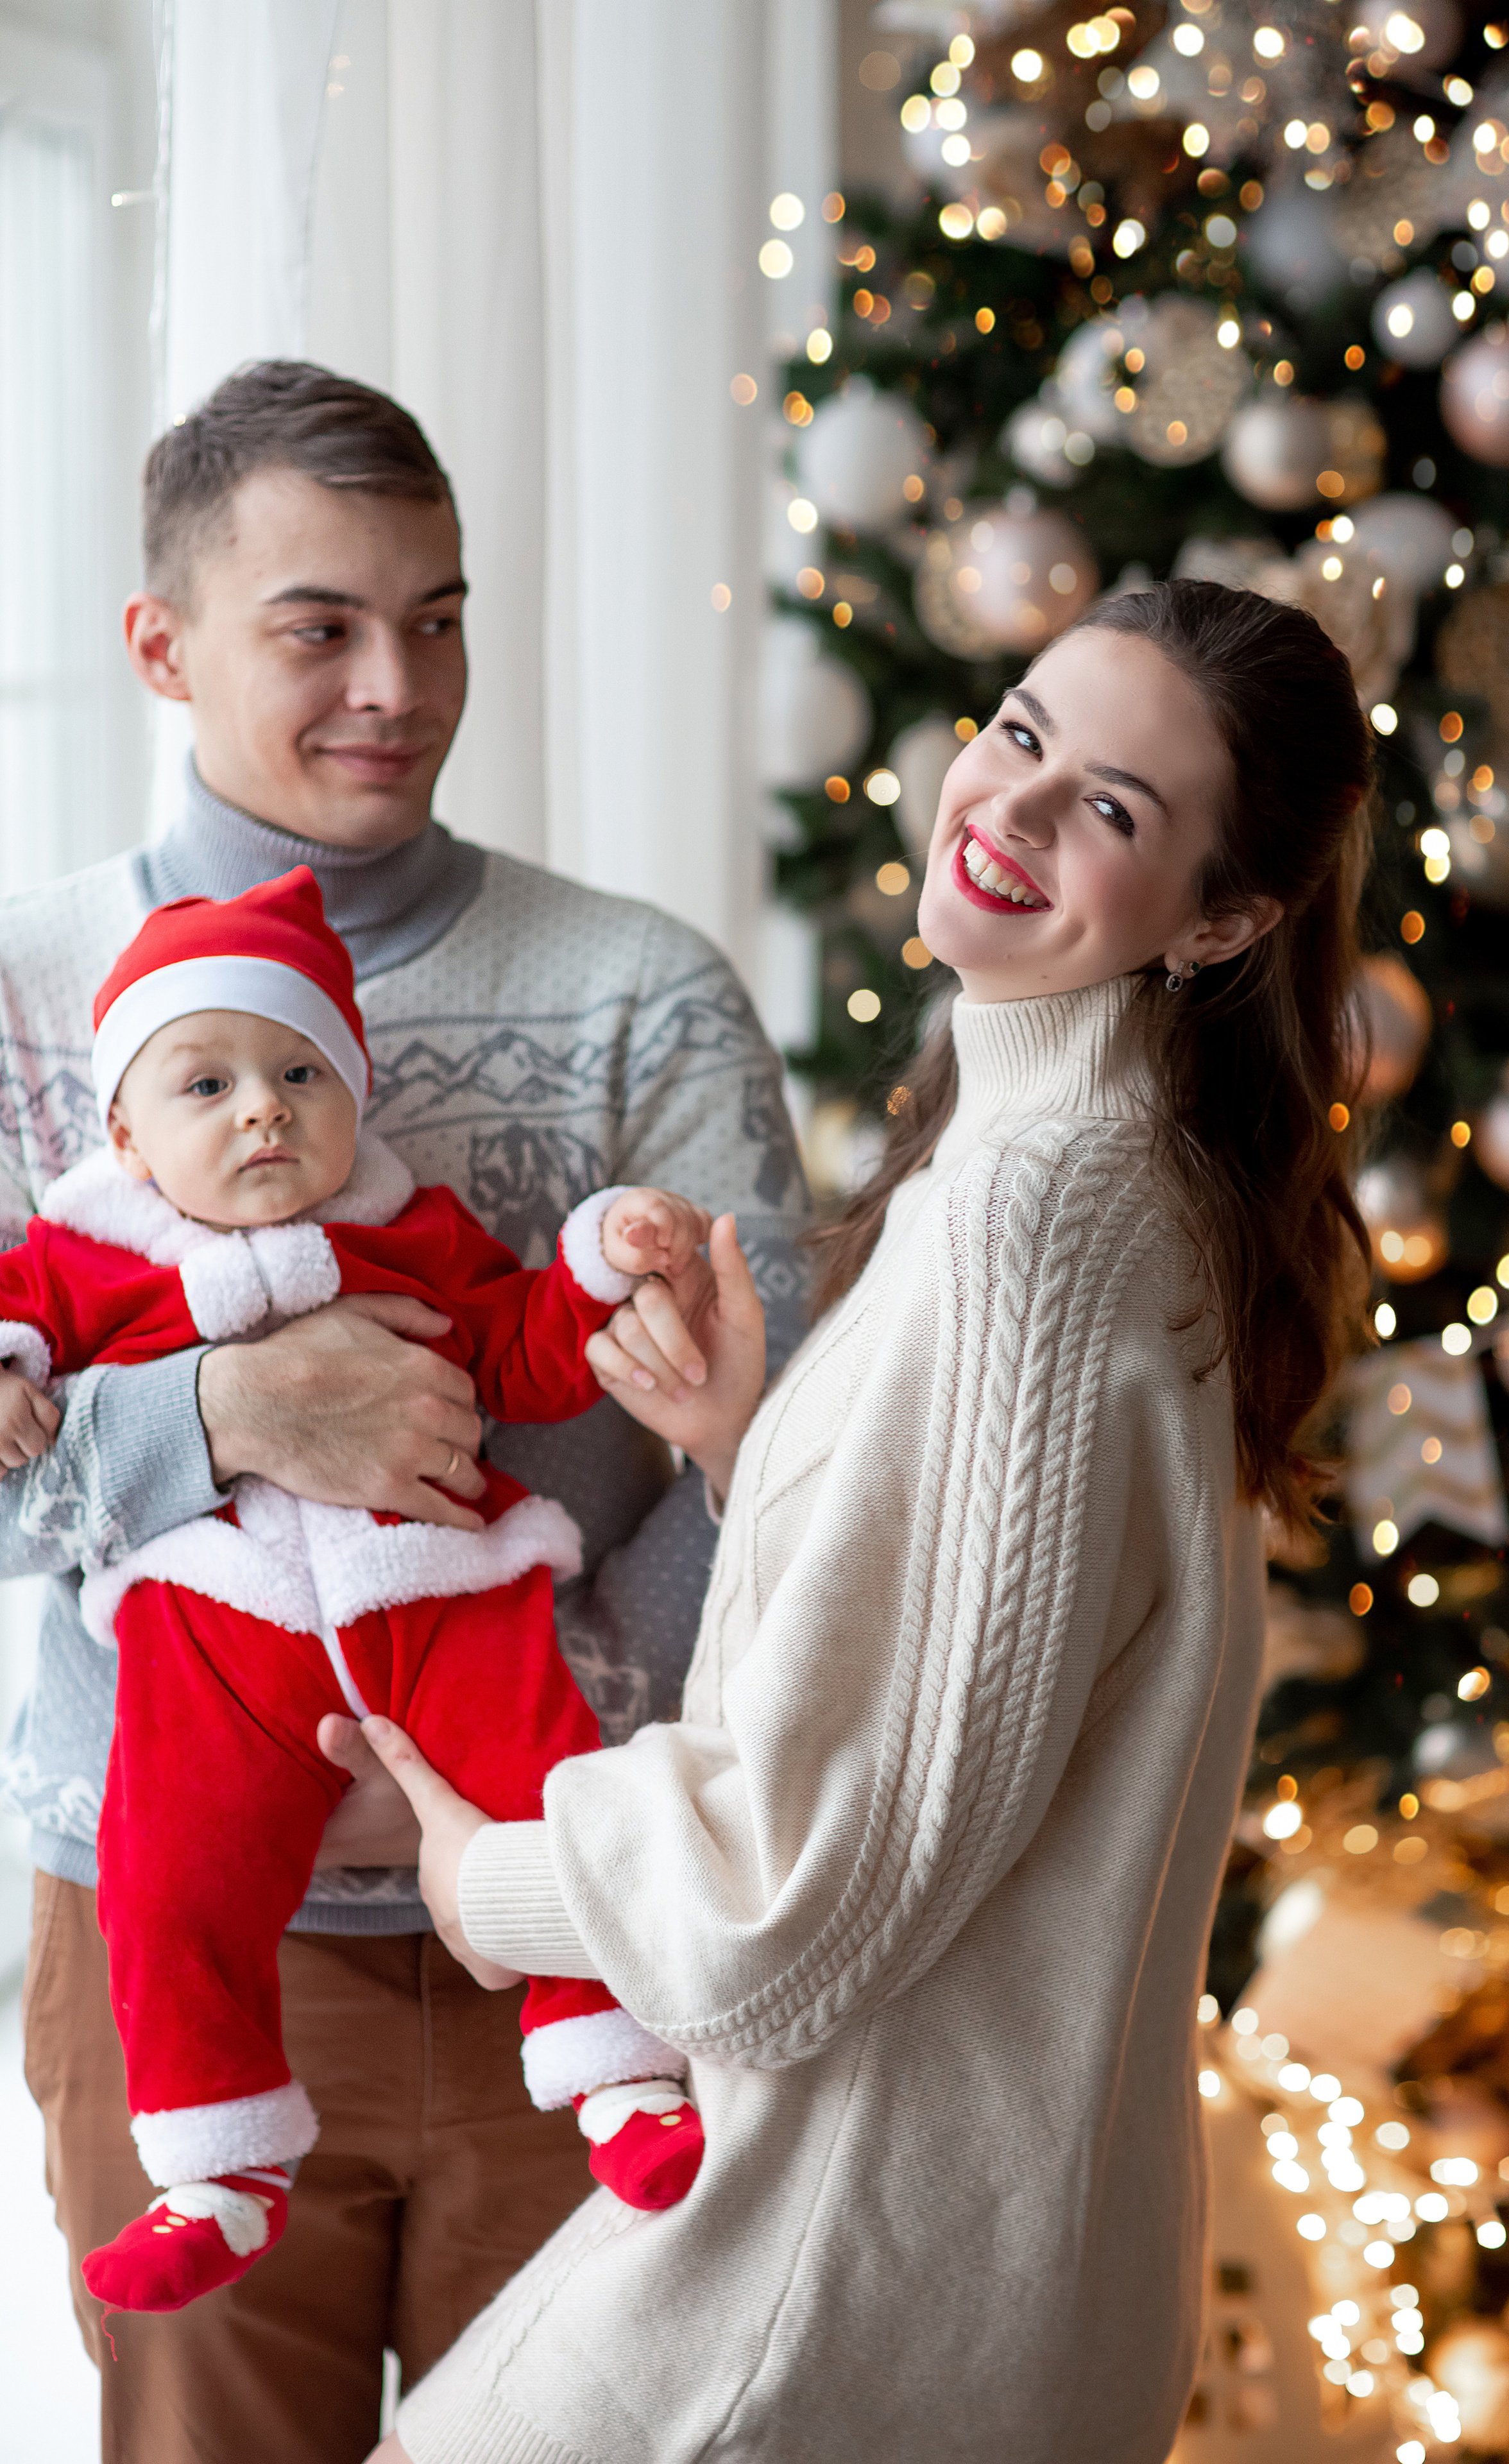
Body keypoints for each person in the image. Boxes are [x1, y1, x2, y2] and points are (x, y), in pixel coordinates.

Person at [355, 580, 1375, 2464]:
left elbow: (800, 1902)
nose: (1018, 809)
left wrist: (491, 1877)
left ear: (1225, 920)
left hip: (825, 2304)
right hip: (975, 2296)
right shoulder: (1086, 1176)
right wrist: (763, 1455)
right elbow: (989, 1708)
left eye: (1117, 812)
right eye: (1022, 731)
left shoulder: (1038, 1222)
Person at [1, 363, 806, 2456]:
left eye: (438, 617)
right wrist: (233, 1413)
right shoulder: (20, 997)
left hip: (585, 1906)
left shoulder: (638, 987)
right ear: (160, 646)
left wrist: (473, 1773)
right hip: (181, 1932)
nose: (398, 683)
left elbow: (775, 1458)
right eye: (321, 627)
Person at [0, 866, 743, 2314]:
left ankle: (620, 2072)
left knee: (552, 1794)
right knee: (171, 1873)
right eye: (204, 1085)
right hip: (217, 1627)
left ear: (354, 1095)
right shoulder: (88, 1255)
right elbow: (22, 1319)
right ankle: (215, 2168)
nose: (260, 1110)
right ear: (126, 1139)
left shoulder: (408, 1230)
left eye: (298, 1073)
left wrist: (591, 1264)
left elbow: (517, 1356)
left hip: (439, 1588)